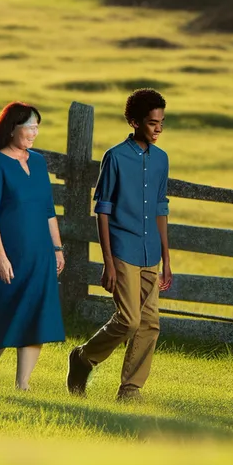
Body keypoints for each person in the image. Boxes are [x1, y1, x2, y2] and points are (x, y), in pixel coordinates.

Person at [67, 88, 172, 400]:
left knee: (150, 323)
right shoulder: (115, 157)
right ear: (134, 122)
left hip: (150, 251)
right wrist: (108, 261)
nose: (158, 129)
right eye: (152, 123)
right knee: (129, 319)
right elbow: (102, 211)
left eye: (162, 123)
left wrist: (167, 258)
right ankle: (84, 357)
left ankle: (130, 388)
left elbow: (160, 209)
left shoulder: (162, 160)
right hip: (123, 249)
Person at [0, 102, 65, 390]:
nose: (34, 132)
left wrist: (57, 249)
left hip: (39, 253)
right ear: (11, 129)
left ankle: (23, 385)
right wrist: (0, 258)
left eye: (37, 126)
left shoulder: (38, 162)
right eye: (29, 127)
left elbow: (48, 209)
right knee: (6, 315)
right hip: (7, 255)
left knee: (37, 316)